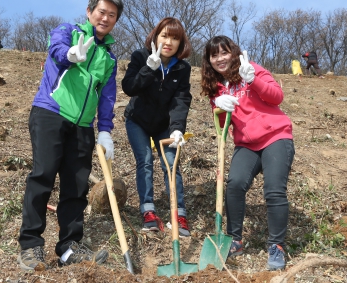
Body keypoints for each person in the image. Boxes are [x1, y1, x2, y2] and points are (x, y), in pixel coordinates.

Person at [17, 0, 124, 271]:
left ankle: (68, 247)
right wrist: (70, 54)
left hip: (83, 126)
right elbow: (57, 51)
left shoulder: (109, 60)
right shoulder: (68, 31)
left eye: (112, 15)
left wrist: (105, 131)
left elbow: (107, 97)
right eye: (102, 12)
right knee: (42, 176)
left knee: (76, 186)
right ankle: (30, 245)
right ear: (89, 12)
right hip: (51, 113)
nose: (106, 18)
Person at [200, 35, 295, 270]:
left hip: (275, 137)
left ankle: (276, 246)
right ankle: (234, 239)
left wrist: (253, 80)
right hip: (246, 144)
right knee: (234, 184)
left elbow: (277, 96)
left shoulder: (250, 69)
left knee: (274, 190)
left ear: (233, 52)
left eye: (224, 52)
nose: (220, 58)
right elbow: (222, 127)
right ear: (209, 61)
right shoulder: (216, 89)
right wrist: (217, 107)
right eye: (214, 55)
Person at [121, 17, 193, 236]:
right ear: (155, 36)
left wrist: (178, 127)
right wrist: (148, 69)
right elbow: (129, 87)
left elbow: (181, 99)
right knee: (144, 161)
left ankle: (179, 214)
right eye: (164, 36)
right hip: (138, 121)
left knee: (171, 163)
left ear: (181, 43)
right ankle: (148, 211)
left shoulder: (182, 68)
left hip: (165, 124)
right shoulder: (140, 56)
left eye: (175, 38)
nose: (169, 42)